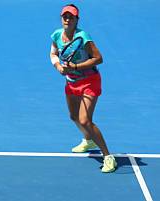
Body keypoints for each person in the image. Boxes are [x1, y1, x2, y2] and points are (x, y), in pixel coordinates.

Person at [50, 4, 117, 173]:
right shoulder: (57, 35)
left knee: (85, 120)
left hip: (89, 81)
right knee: (73, 116)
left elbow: (98, 58)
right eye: (64, 16)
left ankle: (108, 157)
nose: (67, 19)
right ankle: (89, 140)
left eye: (71, 17)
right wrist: (58, 65)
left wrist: (76, 66)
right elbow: (53, 53)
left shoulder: (83, 37)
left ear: (76, 20)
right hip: (71, 82)